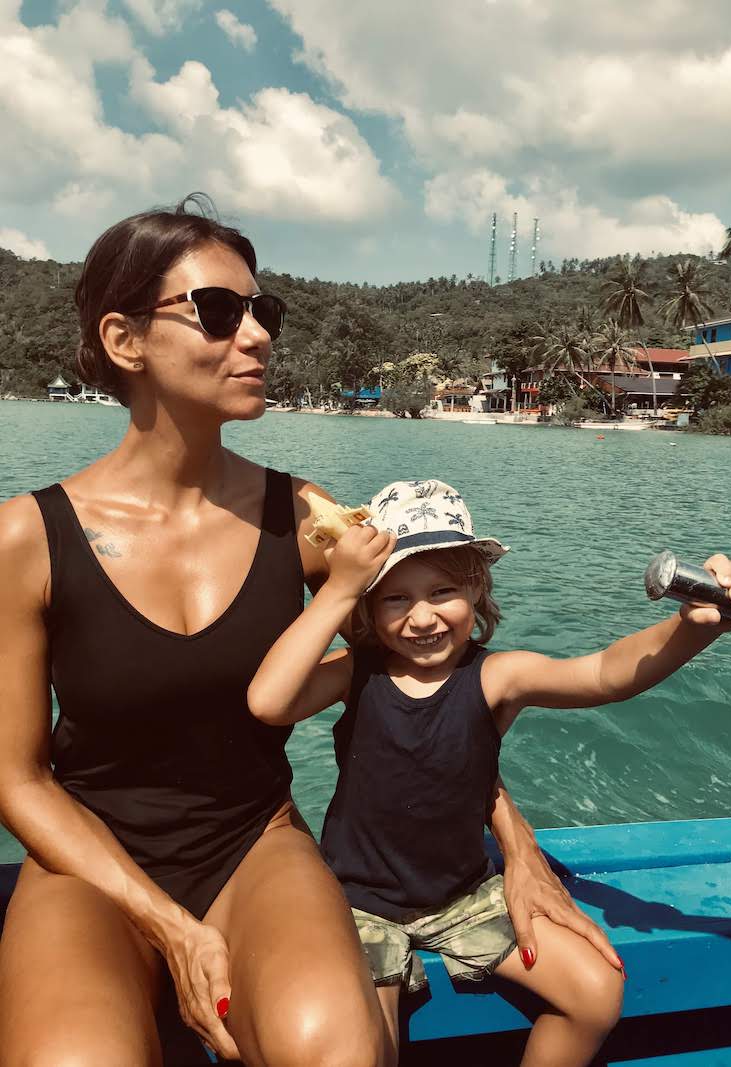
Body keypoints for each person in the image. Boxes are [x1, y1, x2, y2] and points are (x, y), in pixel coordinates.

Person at [0, 198, 609, 1066]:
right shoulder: (26, 538)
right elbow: (18, 779)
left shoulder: (310, 516)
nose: (256, 335)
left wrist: (517, 847)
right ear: (124, 340)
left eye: (264, 311)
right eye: (218, 310)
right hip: (89, 862)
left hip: (255, 842)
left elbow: (443, 675)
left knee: (339, 1051)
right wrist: (168, 925)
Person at [248, 479, 731, 1067]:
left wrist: (693, 628)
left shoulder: (498, 676)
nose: (422, 617)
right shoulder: (356, 672)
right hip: (359, 902)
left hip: (466, 894)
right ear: (367, 605)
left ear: (476, 586)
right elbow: (270, 702)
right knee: (368, 1048)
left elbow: (603, 673)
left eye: (442, 591)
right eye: (395, 598)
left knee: (594, 991)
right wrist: (334, 592)